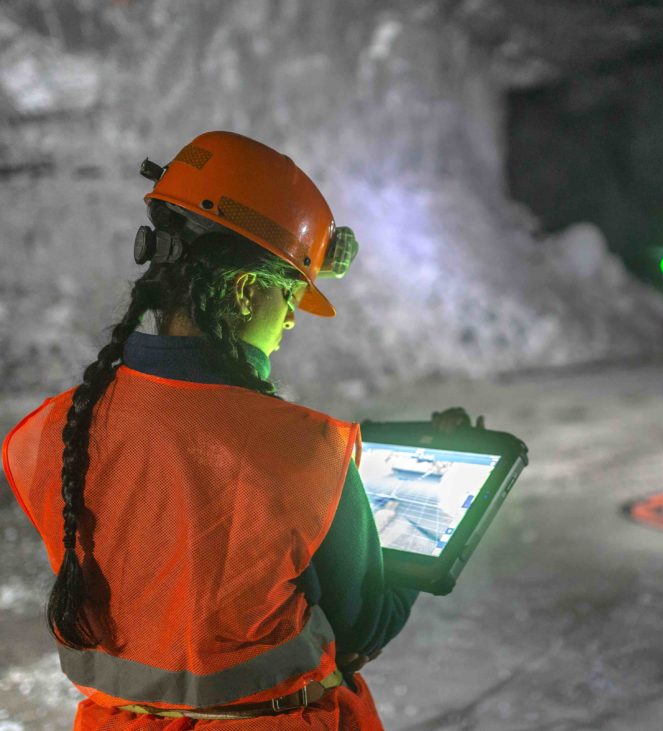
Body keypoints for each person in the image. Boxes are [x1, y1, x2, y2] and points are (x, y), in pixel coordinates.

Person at [2, 131, 475, 729]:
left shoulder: (45, 432)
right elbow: (360, 628)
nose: (290, 326)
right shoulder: (308, 451)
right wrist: (422, 555)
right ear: (249, 290)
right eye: (290, 298)